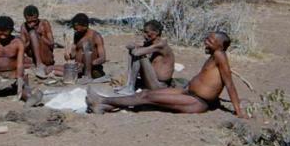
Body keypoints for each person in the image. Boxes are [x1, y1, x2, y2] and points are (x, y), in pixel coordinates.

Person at [86, 31, 248, 118]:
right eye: (207, 38)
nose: (206, 41)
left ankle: (102, 100)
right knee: (146, 94)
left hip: (196, 101)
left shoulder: (220, 56)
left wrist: (238, 110)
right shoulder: (215, 56)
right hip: (188, 92)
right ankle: (103, 106)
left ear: (220, 45)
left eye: (211, 41)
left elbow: (229, 84)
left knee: (147, 98)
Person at [115, 19, 175, 95]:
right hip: (151, 80)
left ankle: (130, 87)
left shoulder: (161, 45)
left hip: (159, 86)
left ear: (156, 33)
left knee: (140, 55)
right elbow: (129, 46)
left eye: (147, 32)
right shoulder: (151, 43)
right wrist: (134, 46)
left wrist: (136, 47)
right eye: (144, 32)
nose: (144, 35)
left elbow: (137, 53)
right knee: (134, 51)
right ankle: (128, 85)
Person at [64, 13, 107, 84]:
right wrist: (69, 55)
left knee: (86, 43)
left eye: (77, 28)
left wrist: (88, 64)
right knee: (50, 69)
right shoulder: (77, 35)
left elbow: (102, 58)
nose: (75, 30)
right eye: (74, 28)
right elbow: (74, 55)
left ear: (84, 26)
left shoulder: (95, 36)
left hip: (93, 68)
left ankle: (88, 76)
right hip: (79, 68)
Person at [20, 5, 55, 76]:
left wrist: (40, 36)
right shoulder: (23, 27)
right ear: (25, 19)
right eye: (29, 22)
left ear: (37, 17)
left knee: (32, 33)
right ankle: (38, 65)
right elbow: (22, 48)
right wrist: (31, 41)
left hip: (45, 56)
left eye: (34, 21)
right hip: (32, 59)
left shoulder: (44, 24)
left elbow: (51, 44)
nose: (31, 24)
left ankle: (40, 65)